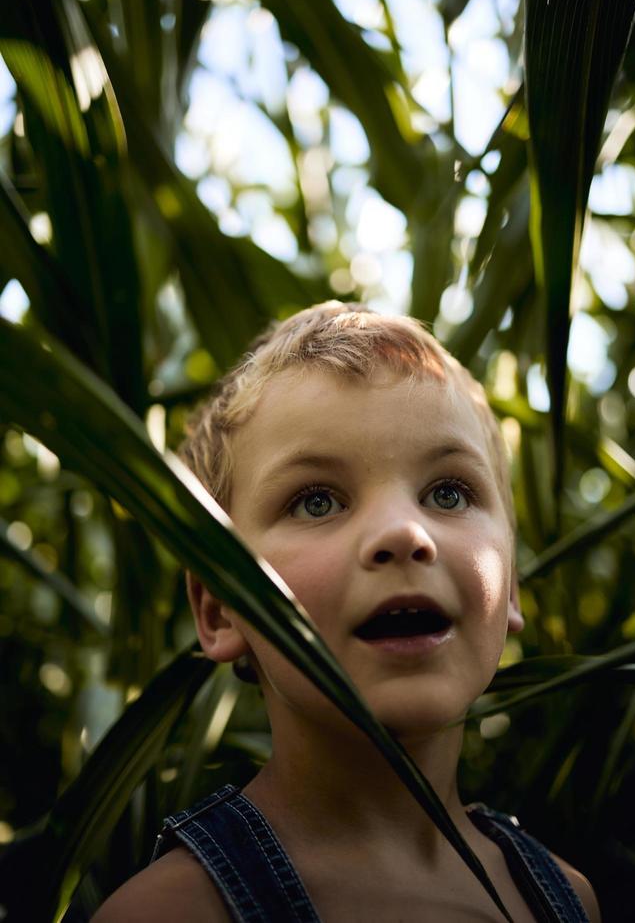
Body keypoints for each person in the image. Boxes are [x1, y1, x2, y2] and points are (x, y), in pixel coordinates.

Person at [92, 302, 601, 922]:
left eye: (448, 492)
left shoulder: (566, 899)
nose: (403, 532)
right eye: (316, 502)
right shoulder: (168, 913)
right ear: (222, 610)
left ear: (511, 586)